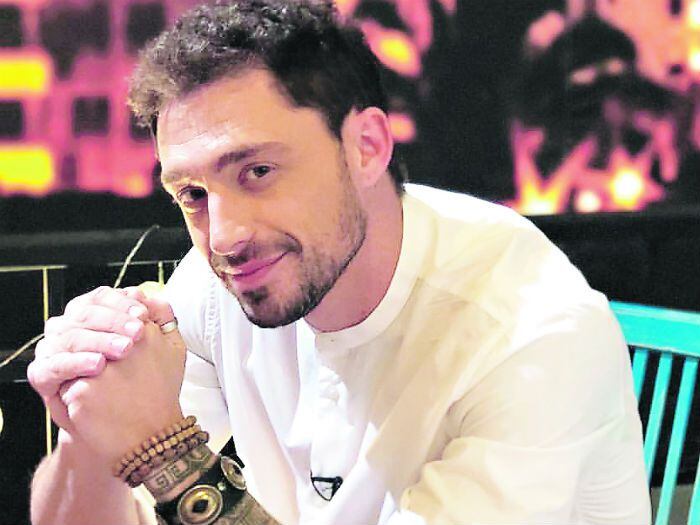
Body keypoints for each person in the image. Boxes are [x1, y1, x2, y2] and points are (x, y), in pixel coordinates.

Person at [27, 1, 651, 524]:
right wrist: (90, 423)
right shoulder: (220, 286)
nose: (224, 238)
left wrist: (166, 456)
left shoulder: (531, 334)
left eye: (258, 171)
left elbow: (166, 464)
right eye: (192, 194)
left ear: (367, 147)